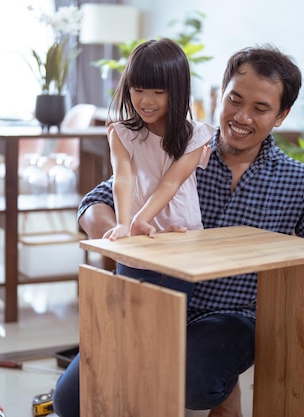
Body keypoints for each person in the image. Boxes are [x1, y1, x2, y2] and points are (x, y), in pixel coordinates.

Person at [52, 44, 304, 417]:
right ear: (220, 95)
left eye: (260, 108)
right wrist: (123, 238)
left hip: (232, 317)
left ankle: (223, 389)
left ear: (282, 116)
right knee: (69, 402)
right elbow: (95, 202)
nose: (241, 116)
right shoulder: (178, 148)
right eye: (234, 100)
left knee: (194, 380)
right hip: (154, 298)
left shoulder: (296, 180)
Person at [104, 38, 214, 298]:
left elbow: (171, 182)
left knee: (169, 327)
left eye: (158, 92)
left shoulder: (195, 136)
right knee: (130, 323)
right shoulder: (121, 133)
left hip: (180, 238)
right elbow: (122, 179)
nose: (146, 101)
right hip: (137, 243)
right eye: (138, 89)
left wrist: (140, 218)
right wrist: (124, 224)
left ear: (176, 91)